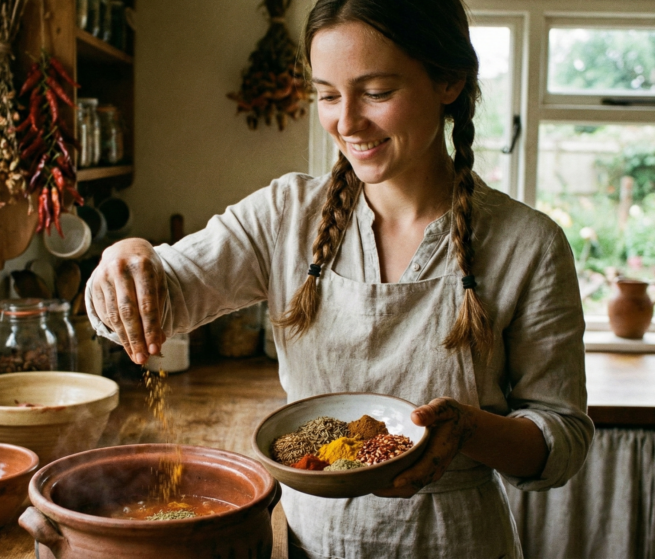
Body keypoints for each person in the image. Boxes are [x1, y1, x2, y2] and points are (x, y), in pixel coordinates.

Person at [86, 0, 594, 556]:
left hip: (460, 542)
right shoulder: (284, 216)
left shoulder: (528, 243)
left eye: (376, 92)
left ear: (448, 80)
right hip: (316, 542)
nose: (346, 122)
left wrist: (468, 429)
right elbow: (147, 305)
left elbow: (561, 441)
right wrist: (126, 259)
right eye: (328, 94)